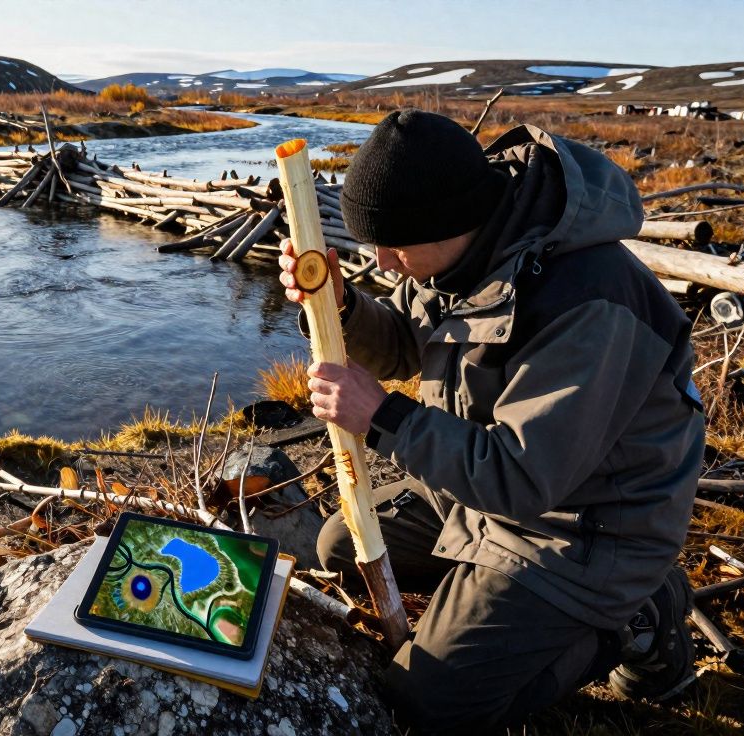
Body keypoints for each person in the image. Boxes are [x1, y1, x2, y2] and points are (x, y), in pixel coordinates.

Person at [277, 109, 704, 733]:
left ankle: (637, 616)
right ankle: (499, 605)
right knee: (339, 546)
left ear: (451, 221)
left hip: (584, 527)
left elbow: (523, 479)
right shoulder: (460, 250)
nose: (384, 263)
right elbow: (402, 342)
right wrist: (340, 307)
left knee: (426, 704)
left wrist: (383, 416)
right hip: (486, 490)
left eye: (392, 245)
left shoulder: (589, 301)